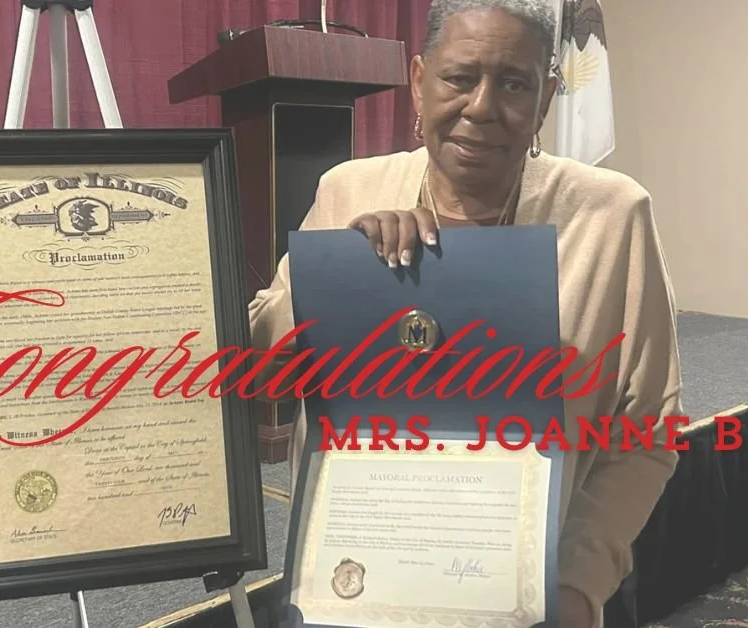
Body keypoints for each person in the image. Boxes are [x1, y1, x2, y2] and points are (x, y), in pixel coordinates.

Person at [247, 0, 682, 626]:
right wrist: (342, 274)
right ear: (418, 82)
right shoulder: (349, 190)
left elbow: (646, 430)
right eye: (459, 77)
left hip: (523, 593)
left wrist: (577, 583)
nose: (481, 106)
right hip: (353, 577)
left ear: (546, 99)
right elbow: (263, 372)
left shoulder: (612, 217)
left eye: (514, 84)